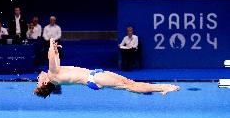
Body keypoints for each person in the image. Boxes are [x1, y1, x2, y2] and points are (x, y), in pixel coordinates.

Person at [34, 38, 180, 98]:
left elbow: (55, 59)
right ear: (45, 83)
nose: (37, 79)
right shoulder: (52, 77)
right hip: (94, 78)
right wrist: (51, 41)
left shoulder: (54, 76)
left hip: (95, 76)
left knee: (129, 84)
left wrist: (54, 47)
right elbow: (51, 59)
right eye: (38, 82)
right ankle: (163, 88)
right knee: (129, 85)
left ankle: (162, 87)